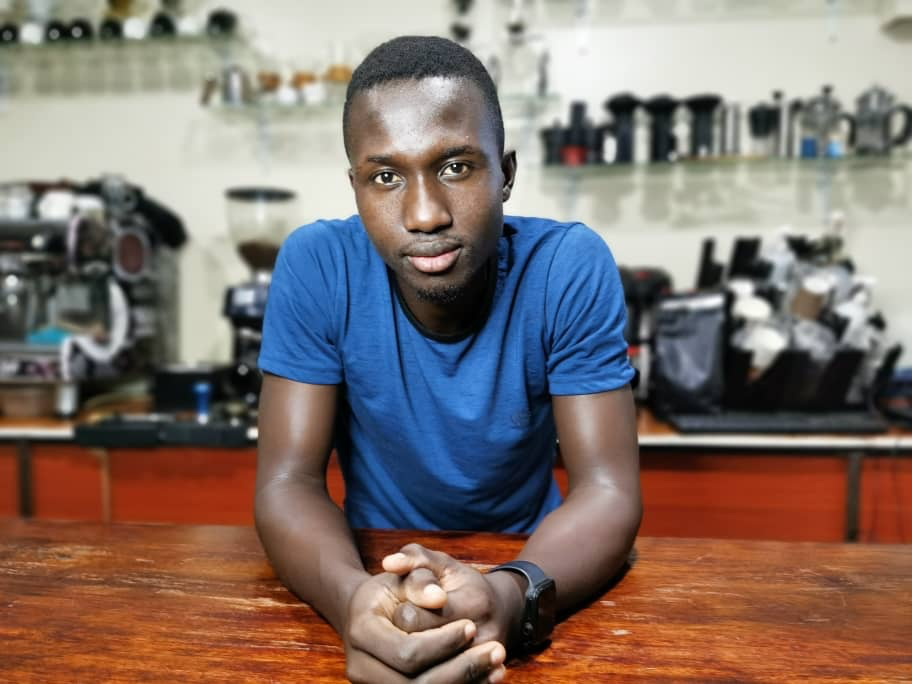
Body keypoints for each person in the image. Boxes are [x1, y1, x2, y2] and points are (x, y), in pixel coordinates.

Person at [254, 35, 640, 683]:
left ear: (507, 172)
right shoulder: (317, 264)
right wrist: (354, 600)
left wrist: (510, 597)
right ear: (355, 188)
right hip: (367, 561)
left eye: (457, 167)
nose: (425, 213)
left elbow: (608, 490)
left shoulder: (567, 265)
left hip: (539, 559)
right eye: (385, 177)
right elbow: (286, 483)